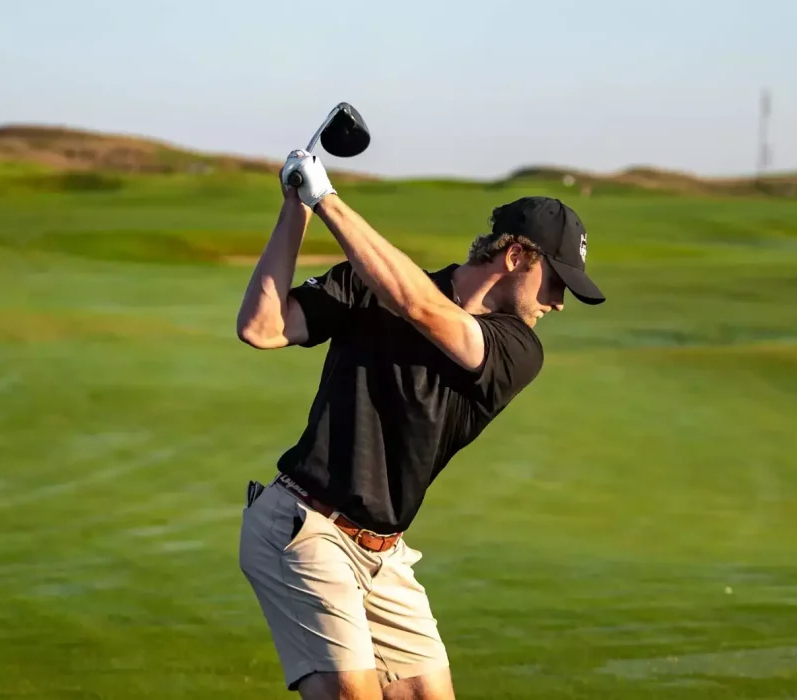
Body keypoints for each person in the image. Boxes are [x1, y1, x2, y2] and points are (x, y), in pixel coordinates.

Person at [235, 149, 605, 700]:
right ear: (516, 256)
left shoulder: (518, 349)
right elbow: (261, 328)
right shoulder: (369, 287)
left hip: (384, 554)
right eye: (556, 281)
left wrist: (326, 197)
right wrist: (297, 208)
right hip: (304, 527)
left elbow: (422, 309)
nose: (559, 301)